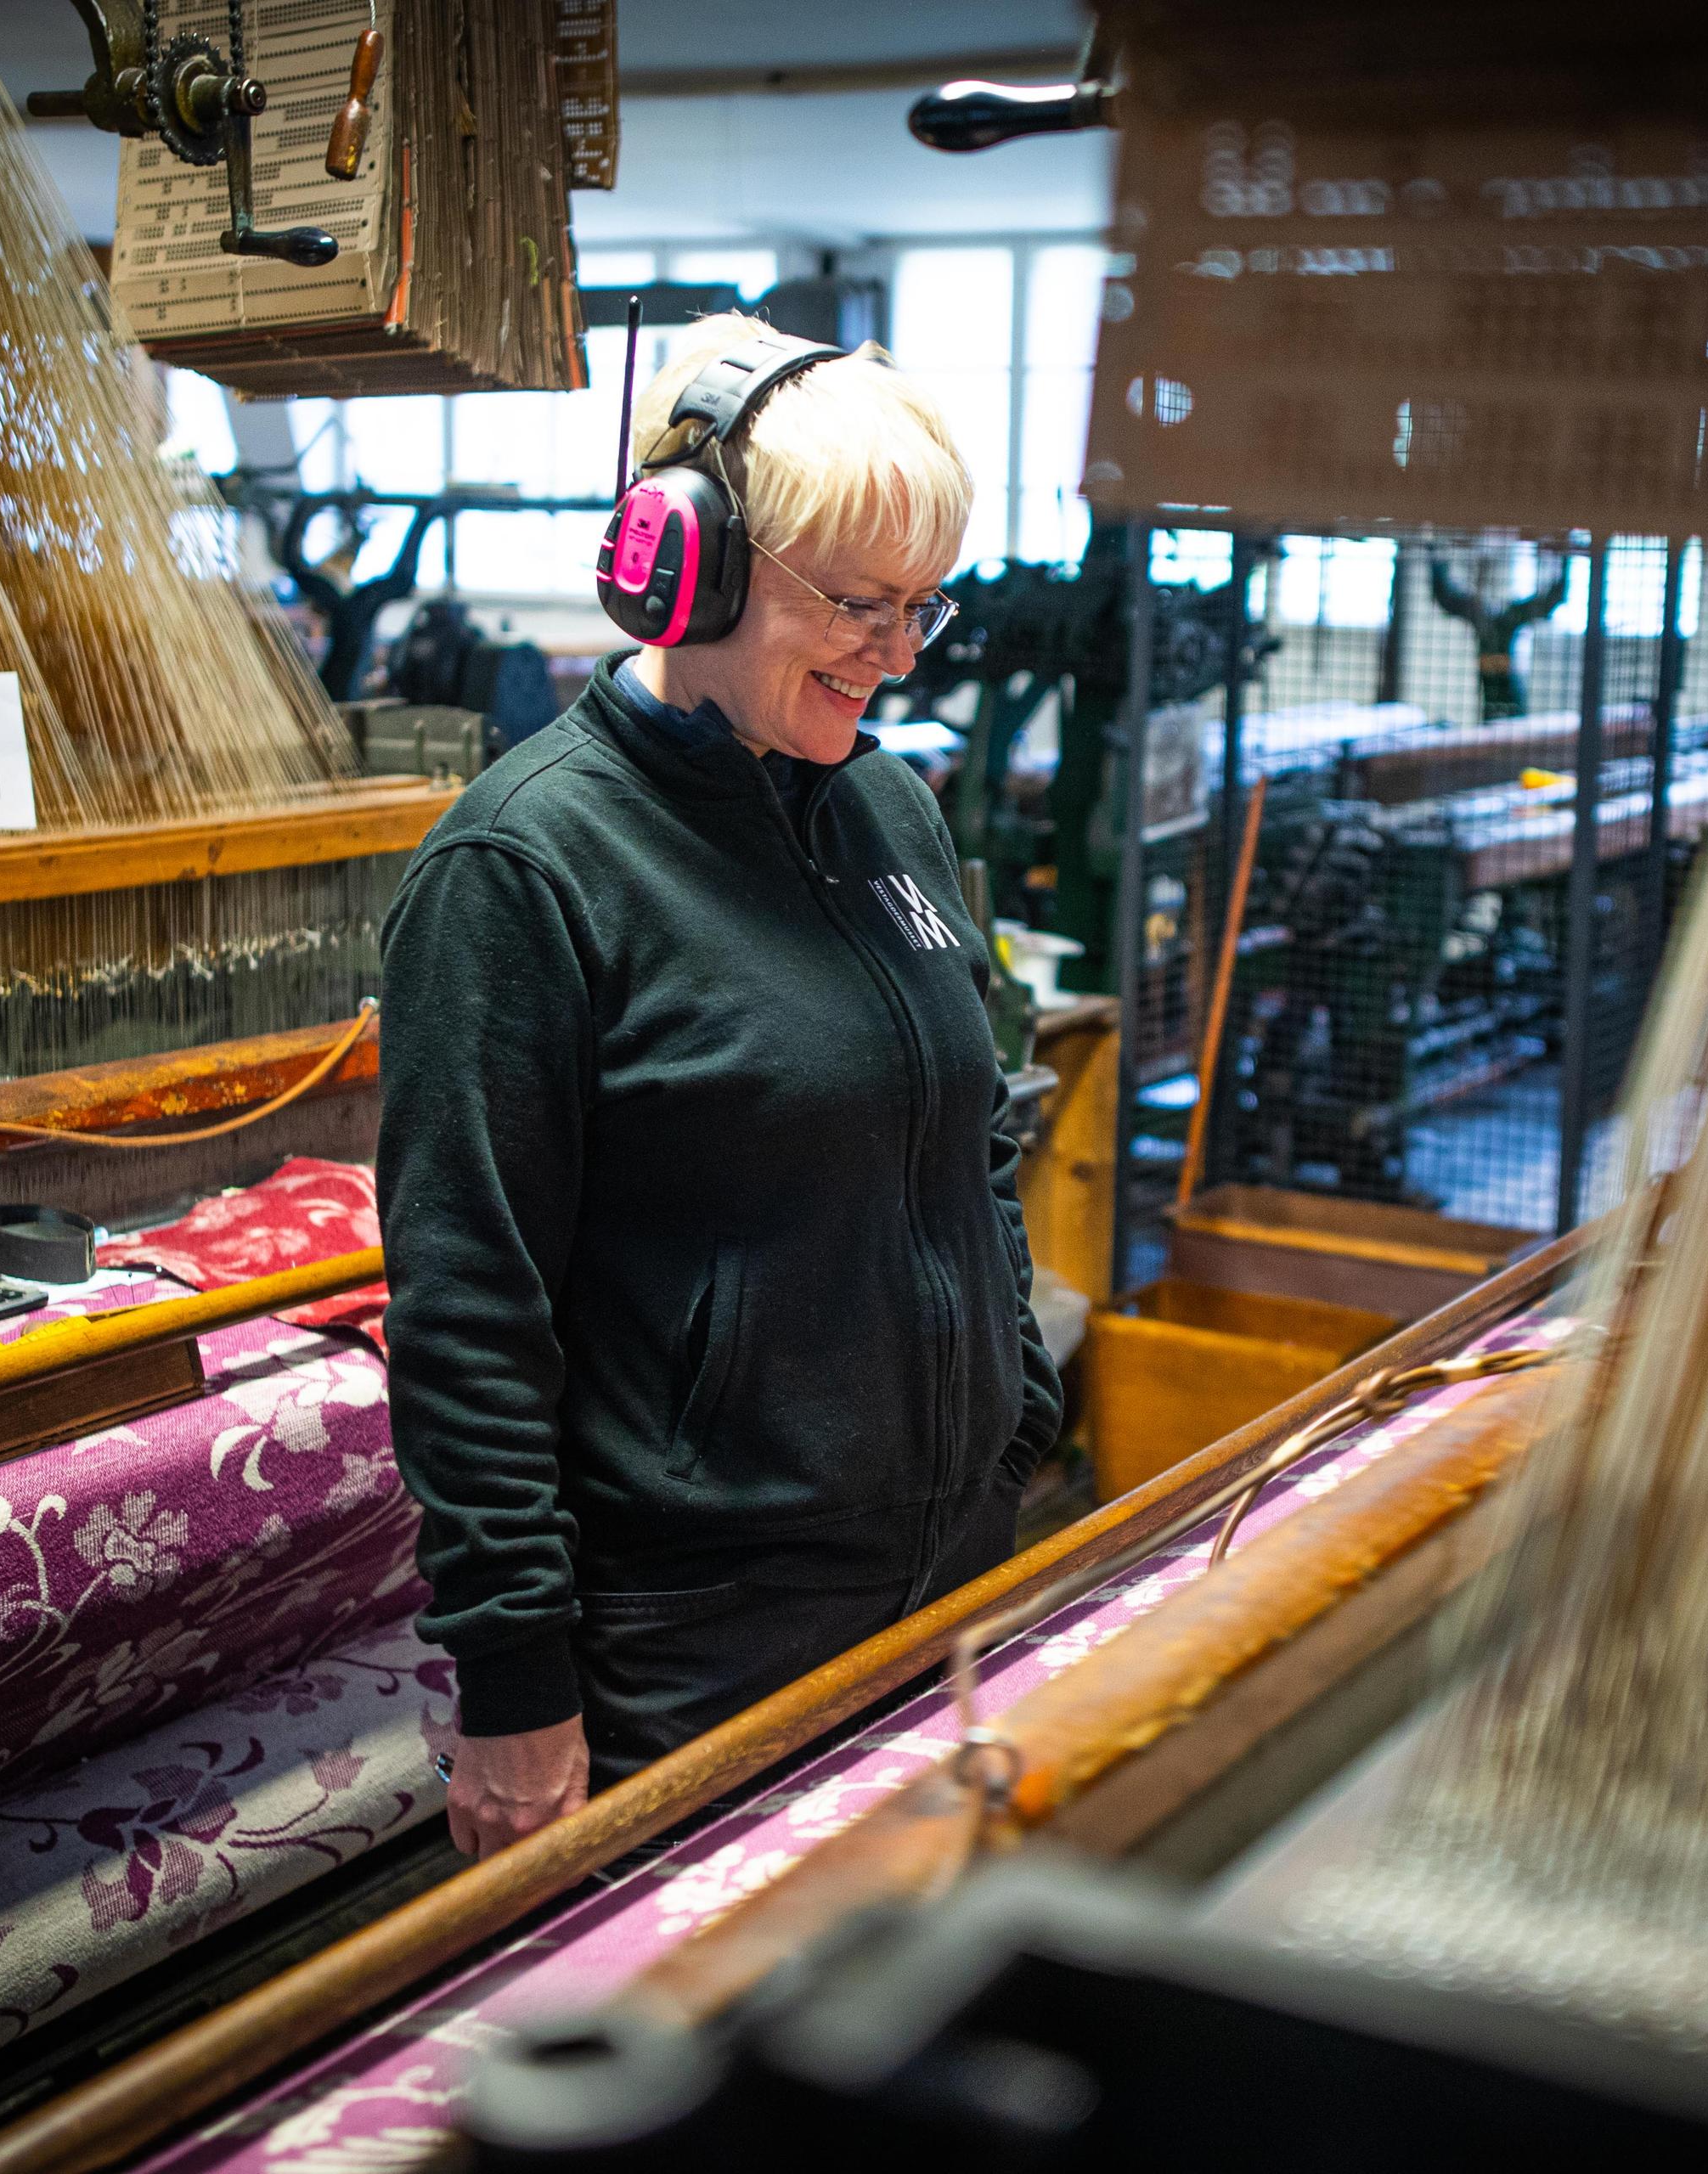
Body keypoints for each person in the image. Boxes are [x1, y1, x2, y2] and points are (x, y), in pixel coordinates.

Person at [377, 314, 1064, 1861]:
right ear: (686, 565)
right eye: (858, 604)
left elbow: (974, 1143)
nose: (896, 656)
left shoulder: (886, 802)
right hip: (700, 1638)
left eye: (922, 610)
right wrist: (517, 1683)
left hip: (950, 1568)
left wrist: (1015, 1415)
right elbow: (468, 1307)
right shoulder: (525, 868)